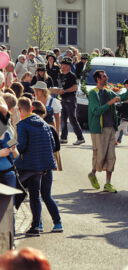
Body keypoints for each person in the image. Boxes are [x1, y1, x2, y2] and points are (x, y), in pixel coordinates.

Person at [87, 70, 128, 193]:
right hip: (99, 129)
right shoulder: (93, 94)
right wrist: (110, 103)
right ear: (98, 79)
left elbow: (122, 97)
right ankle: (93, 173)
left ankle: (108, 183)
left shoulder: (108, 91)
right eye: (104, 76)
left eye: (106, 75)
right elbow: (96, 111)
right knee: (99, 155)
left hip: (111, 127)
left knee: (111, 156)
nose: (106, 77)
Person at [15, 97, 56, 236]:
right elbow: (52, 143)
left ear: (20, 110)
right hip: (43, 166)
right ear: (31, 108)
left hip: (28, 165)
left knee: (16, 190)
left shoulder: (22, 124)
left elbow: (21, 146)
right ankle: (36, 226)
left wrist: (10, 146)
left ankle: (31, 225)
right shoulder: (43, 123)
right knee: (35, 195)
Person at [31, 100, 63, 232]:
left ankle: (38, 224)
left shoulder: (30, 126)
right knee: (46, 195)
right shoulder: (50, 128)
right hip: (48, 165)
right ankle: (58, 223)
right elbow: (57, 146)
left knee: (35, 196)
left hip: (34, 166)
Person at [56, 57, 85, 145]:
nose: (63, 66)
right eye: (62, 64)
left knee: (72, 119)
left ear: (69, 66)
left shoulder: (72, 75)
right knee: (63, 119)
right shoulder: (60, 75)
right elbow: (60, 86)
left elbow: (75, 87)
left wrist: (64, 91)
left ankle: (80, 138)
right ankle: (63, 138)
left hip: (70, 99)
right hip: (62, 99)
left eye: (65, 65)